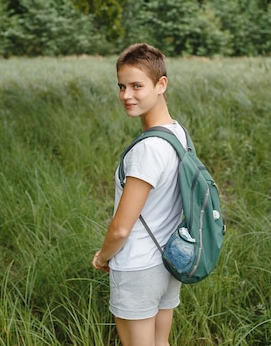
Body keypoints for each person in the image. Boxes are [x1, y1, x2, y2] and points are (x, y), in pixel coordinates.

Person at [92, 43, 187, 346]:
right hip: (168, 263)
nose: (126, 96)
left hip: (137, 267)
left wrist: (102, 257)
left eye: (136, 86)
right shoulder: (177, 133)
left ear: (161, 85)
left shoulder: (147, 149)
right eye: (121, 86)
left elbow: (121, 229)